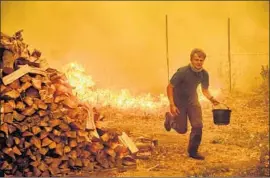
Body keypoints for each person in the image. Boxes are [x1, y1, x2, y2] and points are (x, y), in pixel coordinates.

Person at [164, 48, 220, 160]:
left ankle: (193, 151)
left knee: (198, 125)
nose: (199, 62)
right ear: (191, 60)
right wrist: (172, 104)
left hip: (193, 101)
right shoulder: (182, 72)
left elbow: (204, 90)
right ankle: (170, 120)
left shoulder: (204, 74)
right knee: (182, 129)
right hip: (179, 101)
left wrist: (211, 99)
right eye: (196, 60)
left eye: (201, 60)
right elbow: (170, 87)